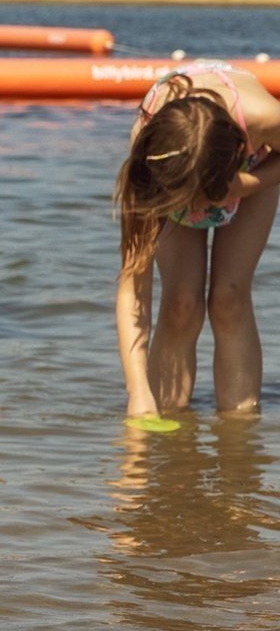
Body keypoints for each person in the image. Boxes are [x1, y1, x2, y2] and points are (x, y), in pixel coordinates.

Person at [115, 60, 280, 418]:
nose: (194, 210)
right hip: (177, 168)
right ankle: (171, 431)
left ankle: (239, 433)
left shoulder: (263, 117)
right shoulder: (149, 157)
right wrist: (137, 392)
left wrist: (246, 184)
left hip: (252, 171)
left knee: (228, 297)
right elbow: (134, 286)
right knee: (181, 304)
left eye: (199, 199)